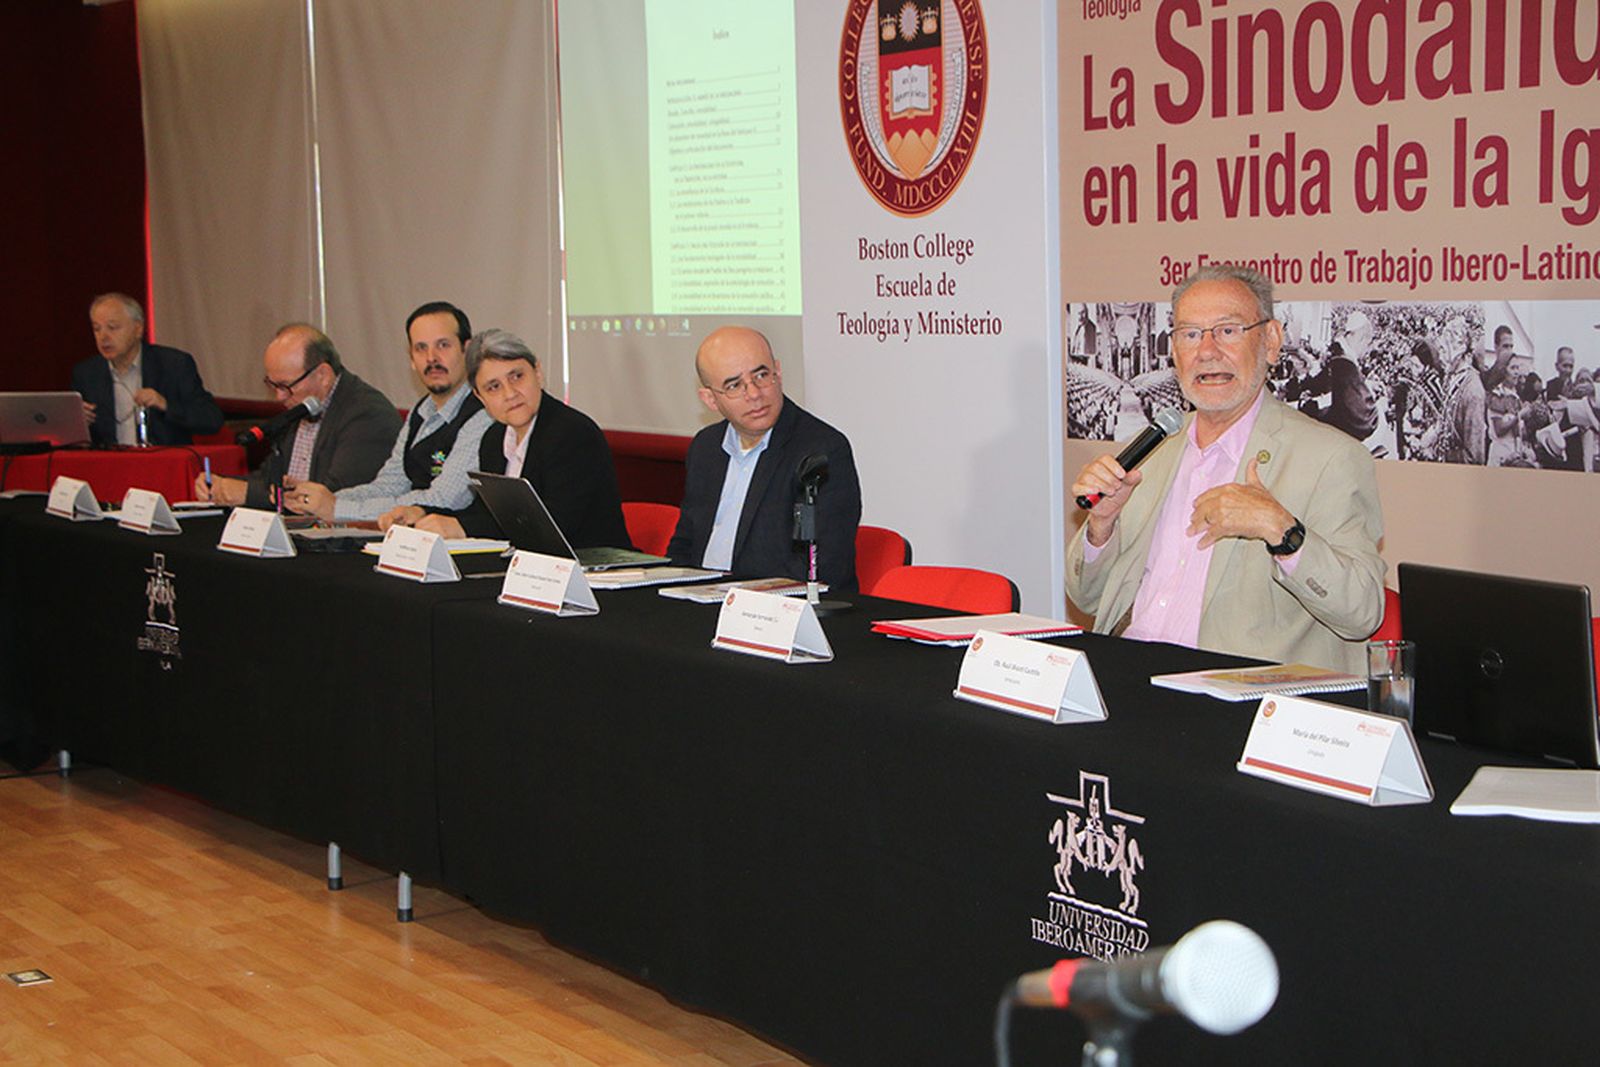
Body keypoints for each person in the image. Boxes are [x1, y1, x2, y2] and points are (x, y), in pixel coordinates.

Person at [1066, 264, 1384, 674]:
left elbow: (1363, 613)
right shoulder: (1151, 453)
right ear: (1174, 350)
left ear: (1271, 342)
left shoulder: (1331, 458)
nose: (1207, 351)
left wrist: (1282, 530)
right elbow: (1087, 598)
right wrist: (1101, 528)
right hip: (1127, 675)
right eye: (1190, 334)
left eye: (1228, 331)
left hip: (1236, 693)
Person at [383, 329, 628, 547]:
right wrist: (422, 512)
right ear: (480, 397)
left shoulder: (572, 433)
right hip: (533, 571)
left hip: (594, 570)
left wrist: (462, 527)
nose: (510, 394)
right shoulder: (493, 438)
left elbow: (554, 526)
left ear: (538, 372)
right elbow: (486, 515)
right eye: (494, 387)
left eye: (516, 376)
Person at [666, 326, 862, 588]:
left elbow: (820, 565)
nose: (754, 394)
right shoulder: (706, 447)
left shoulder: (820, 450)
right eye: (734, 385)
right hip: (701, 597)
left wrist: (734, 596)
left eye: (761, 375)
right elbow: (685, 544)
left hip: (772, 605)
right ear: (710, 399)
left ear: (777, 373)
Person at [279, 301, 492, 522]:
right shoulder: (420, 412)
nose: (431, 358)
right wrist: (321, 499)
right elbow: (389, 486)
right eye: (421, 348)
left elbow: (443, 499)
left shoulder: (484, 413)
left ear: (467, 351)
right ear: (411, 359)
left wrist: (337, 508)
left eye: (443, 345)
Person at [194, 324, 399, 507]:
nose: (279, 396)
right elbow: (269, 478)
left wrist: (246, 493)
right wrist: (221, 484)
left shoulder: (367, 414)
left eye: (285, 386)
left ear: (323, 375)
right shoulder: (303, 408)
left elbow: (335, 496)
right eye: (272, 385)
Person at [72, 293, 223, 446]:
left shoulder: (174, 365)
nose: (103, 337)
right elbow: (77, 441)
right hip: (110, 459)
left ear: (138, 329)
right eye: (97, 329)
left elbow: (211, 420)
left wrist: (165, 404)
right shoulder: (87, 374)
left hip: (162, 458)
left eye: (112, 327)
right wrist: (78, 424)